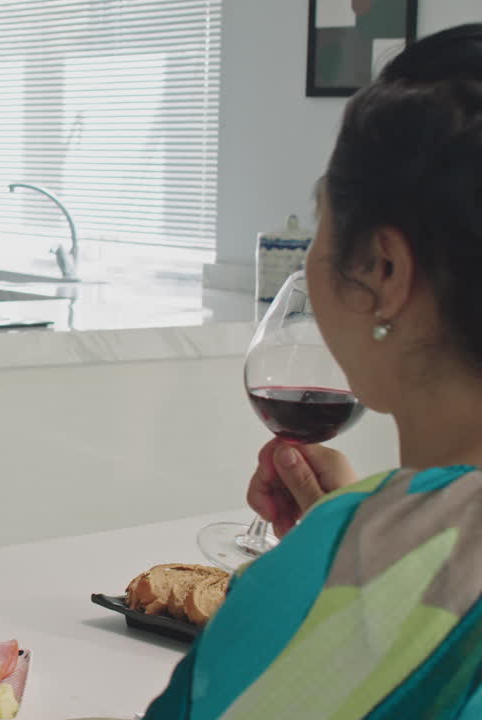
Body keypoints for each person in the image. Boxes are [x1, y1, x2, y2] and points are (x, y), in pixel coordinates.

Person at [143, 23, 482, 718]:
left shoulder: (311, 576)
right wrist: (364, 522)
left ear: (383, 270)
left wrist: (349, 544)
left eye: (322, 219)